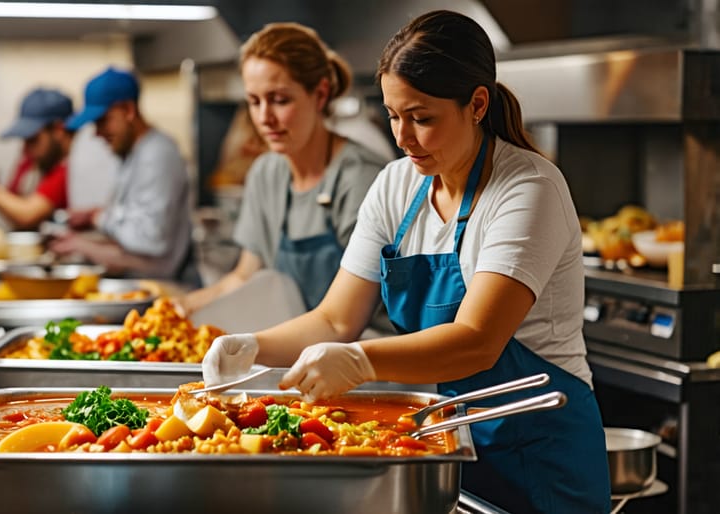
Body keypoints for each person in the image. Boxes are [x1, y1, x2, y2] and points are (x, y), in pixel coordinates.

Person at [202, 11, 611, 514]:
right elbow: (336, 318)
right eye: (394, 115)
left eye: (422, 118)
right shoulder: (397, 185)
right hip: (450, 439)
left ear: (477, 104)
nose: (403, 136)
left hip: (542, 455)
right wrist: (252, 347)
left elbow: (478, 341)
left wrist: (360, 361)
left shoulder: (529, 190)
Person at [181, 22, 388, 313]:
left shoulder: (361, 178)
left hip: (359, 348)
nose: (264, 117)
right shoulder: (266, 173)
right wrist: (180, 307)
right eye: (254, 101)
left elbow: (346, 317)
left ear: (320, 94)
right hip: (291, 342)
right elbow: (244, 276)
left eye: (279, 100)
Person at [50, 68, 196, 283]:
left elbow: (151, 242)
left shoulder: (157, 155)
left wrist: (96, 220)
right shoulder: (133, 154)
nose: (97, 133)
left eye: (102, 121)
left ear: (128, 110)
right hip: (141, 282)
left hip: (165, 289)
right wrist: (93, 218)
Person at [0, 88, 74, 230]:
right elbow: (13, 201)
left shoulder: (69, 169)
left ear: (59, 130)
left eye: (33, 139)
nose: (25, 148)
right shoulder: (31, 161)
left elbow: (28, 215)